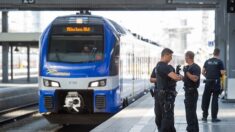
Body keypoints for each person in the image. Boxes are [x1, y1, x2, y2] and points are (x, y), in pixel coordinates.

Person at [155, 48, 183, 132]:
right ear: (165, 55)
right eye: (170, 56)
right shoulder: (163, 66)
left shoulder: (160, 66)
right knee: (167, 118)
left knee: (166, 118)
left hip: (163, 95)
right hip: (165, 97)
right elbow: (175, 77)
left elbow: (170, 78)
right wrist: (181, 77)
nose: (171, 58)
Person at [201, 48, 225, 122]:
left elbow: (202, 72)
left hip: (208, 82)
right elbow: (222, 73)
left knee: (206, 99)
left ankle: (205, 116)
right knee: (215, 99)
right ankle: (214, 118)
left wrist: (207, 77)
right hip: (216, 82)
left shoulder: (207, 61)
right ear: (218, 53)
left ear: (213, 53)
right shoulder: (219, 62)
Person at [183, 51, 201, 132]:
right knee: (190, 113)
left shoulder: (196, 67)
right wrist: (180, 76)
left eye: (185, 57)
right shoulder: (187, 67)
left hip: (192, 93)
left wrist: (187, 72)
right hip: (187, 92)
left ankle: (192, 129)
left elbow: (195, 79)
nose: (185, 59)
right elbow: (186, 79)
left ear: (188, 57)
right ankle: (193, 129)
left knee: (191, 113)